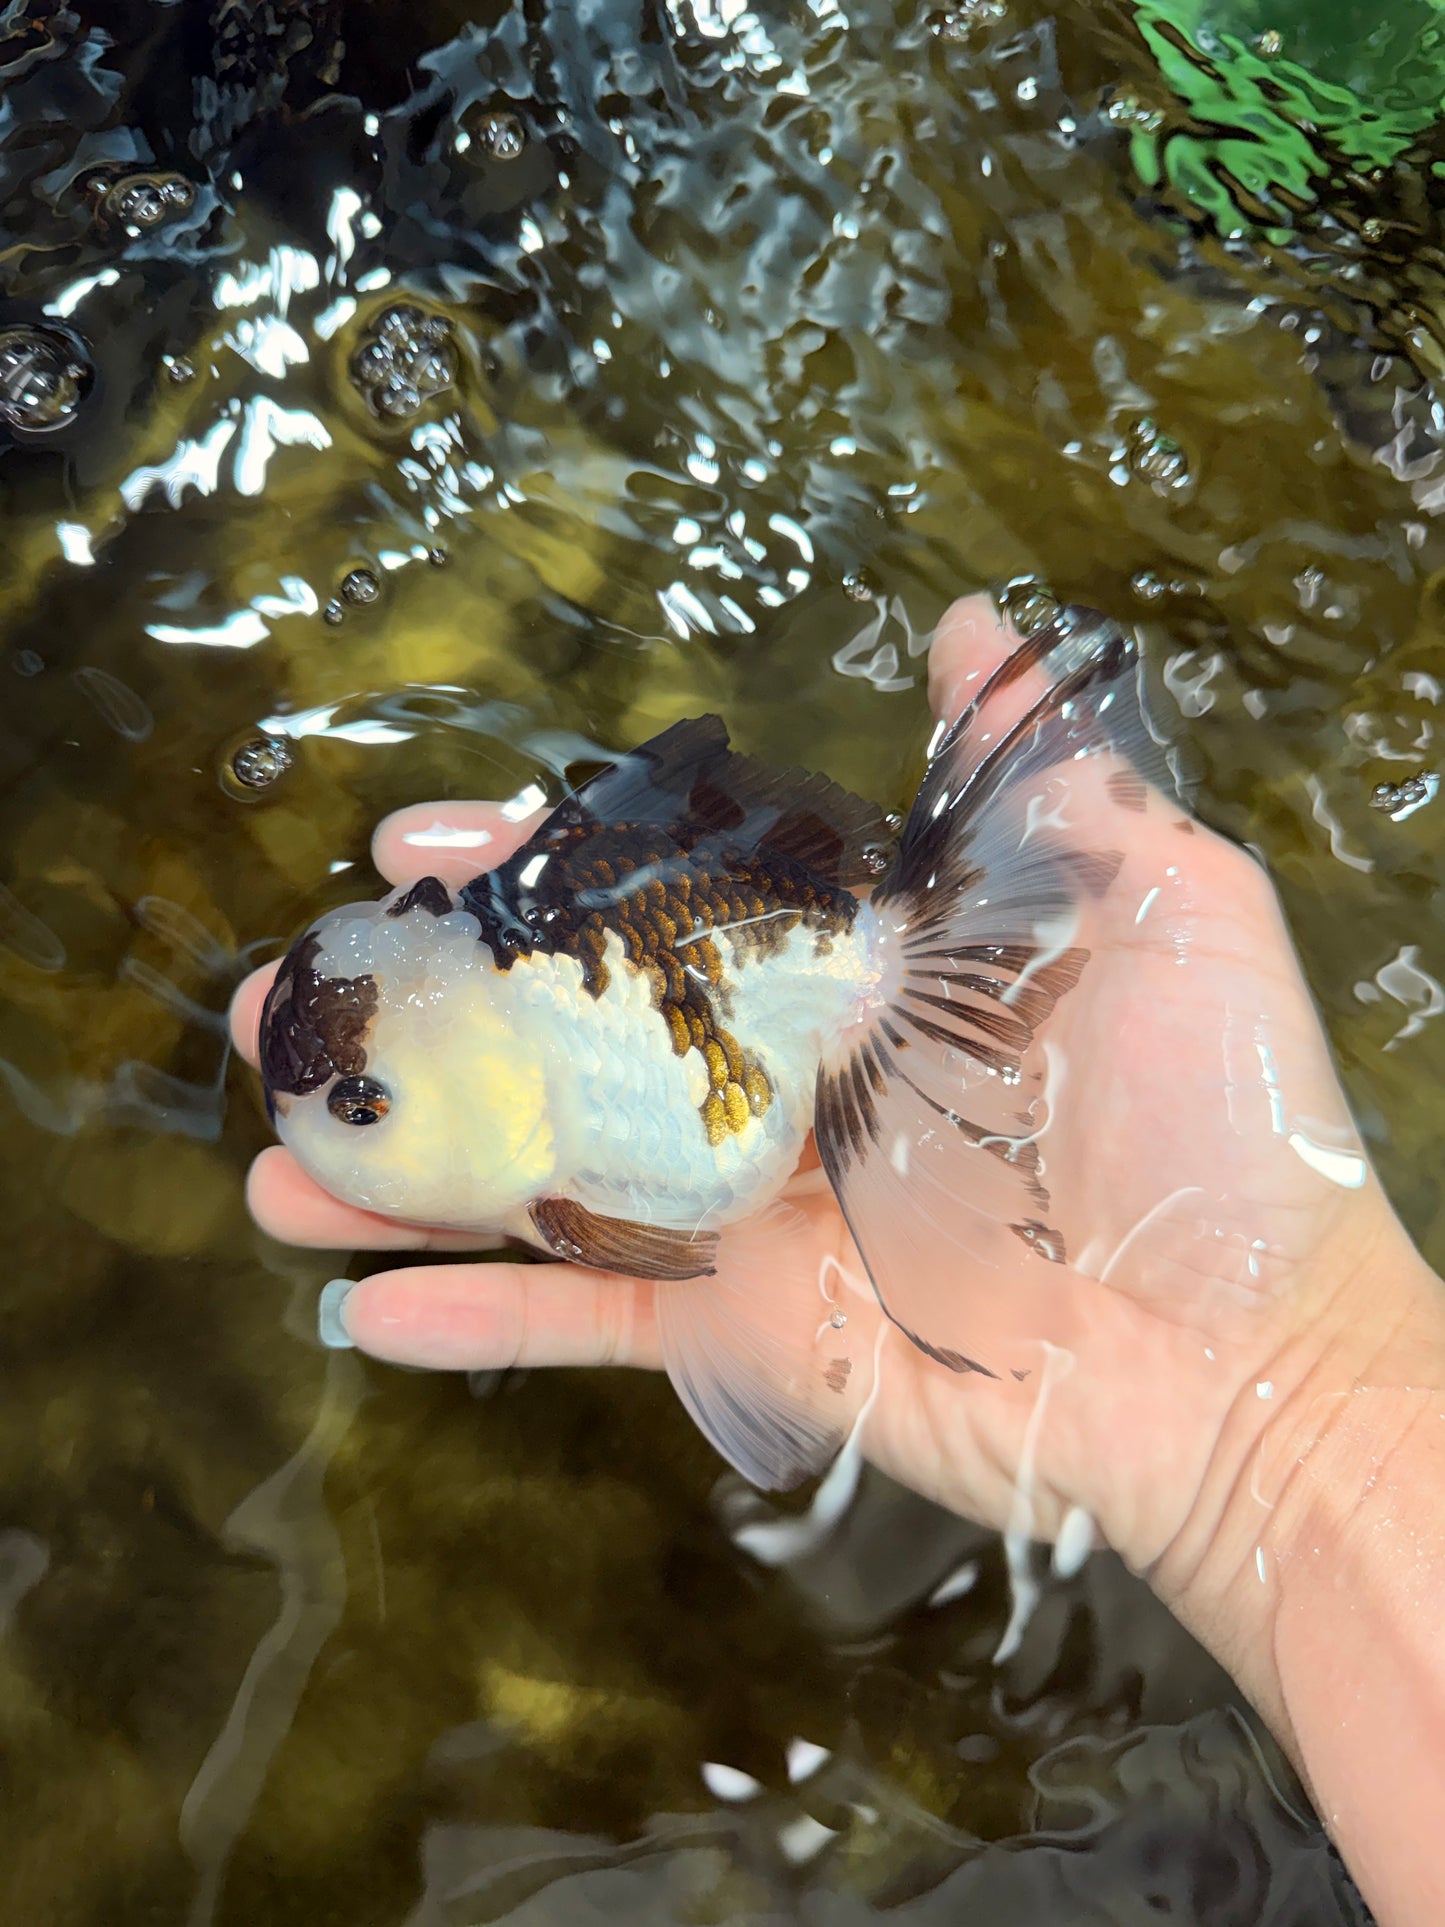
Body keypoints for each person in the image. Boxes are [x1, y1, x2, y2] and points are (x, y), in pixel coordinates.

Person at [230, 594, 1445, 1926]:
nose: (345, 1137)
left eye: (363, 1111)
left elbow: (688, 1258)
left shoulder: (588, 1117)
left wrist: (1288, 1423)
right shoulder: (556, 1146)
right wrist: (1284, 1434)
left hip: (799, 1010)